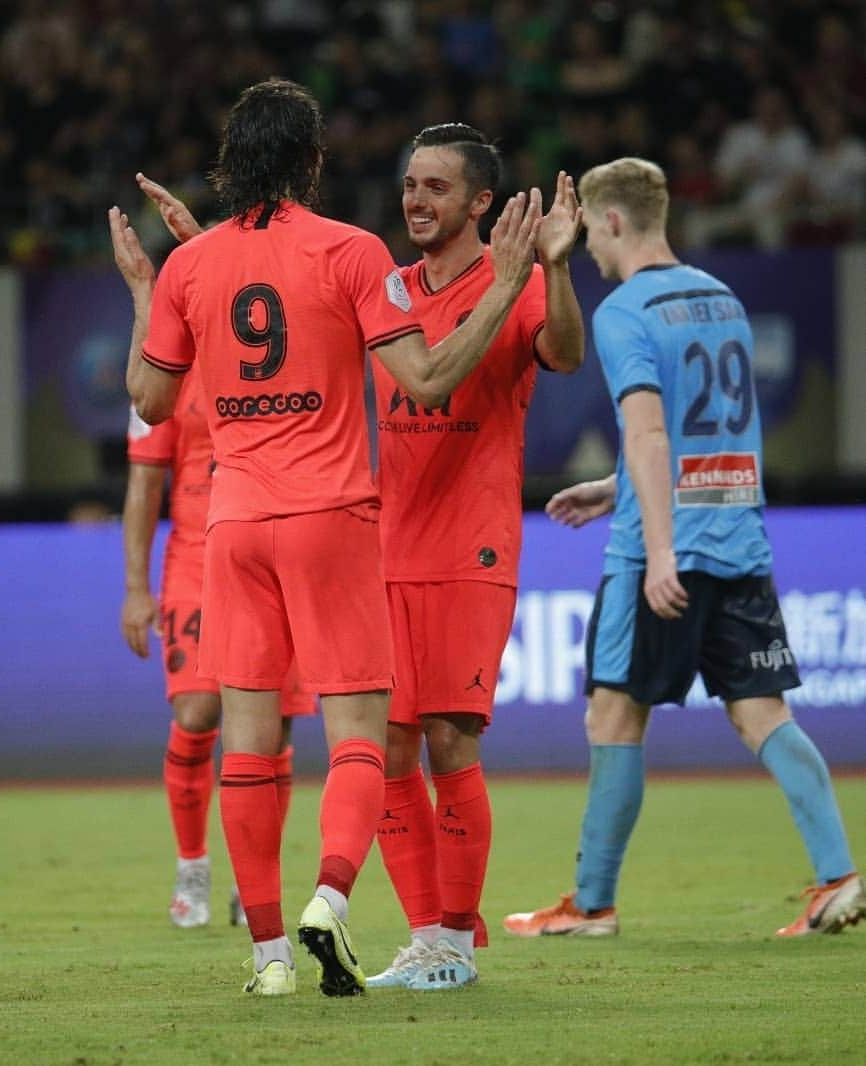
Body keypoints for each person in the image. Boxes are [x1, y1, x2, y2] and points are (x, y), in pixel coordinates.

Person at [110, 78, 544, 997]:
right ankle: (332, 902)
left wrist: (150, 292)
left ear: (233, 163)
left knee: (250, 744)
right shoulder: (353, 252)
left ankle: (266, 955)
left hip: (231, 526)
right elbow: (424, 381)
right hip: (333, 518)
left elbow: (150, 401)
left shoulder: (191, 268)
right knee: (359, 732)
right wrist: (505, 287)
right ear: (310, 162)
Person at [501, 157, 864, 940]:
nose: (591, 250)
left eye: (593, 233)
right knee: (763, 713)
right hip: (738, 532)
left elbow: (650, 427)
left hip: (657, 552)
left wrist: (659, 549)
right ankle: (838, 876)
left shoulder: (625, 309)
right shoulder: (720, 298)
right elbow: (711, 432)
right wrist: (615, 486)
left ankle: (591, 905)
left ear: (615, 223)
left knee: (613, 716)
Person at [364, 125, 584, 991]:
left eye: (436, 188)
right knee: (385, 750)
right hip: (386, 549)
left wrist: (558, 267)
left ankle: (456, 945)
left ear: (481, 203)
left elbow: (563, 354)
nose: (416, 201)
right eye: (410, 184)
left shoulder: (521, 285)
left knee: (451, 742)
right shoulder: (385, 289)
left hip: (471, 545)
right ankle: (429, 939)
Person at [121, 368, 314, 931]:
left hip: (276, 552)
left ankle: (254, 878)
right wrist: (137, 588)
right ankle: (192, 866)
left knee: (272, 728)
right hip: (195, 560)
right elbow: (144, 483)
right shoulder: (169, 369)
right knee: (198, 710)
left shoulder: (276, 347)